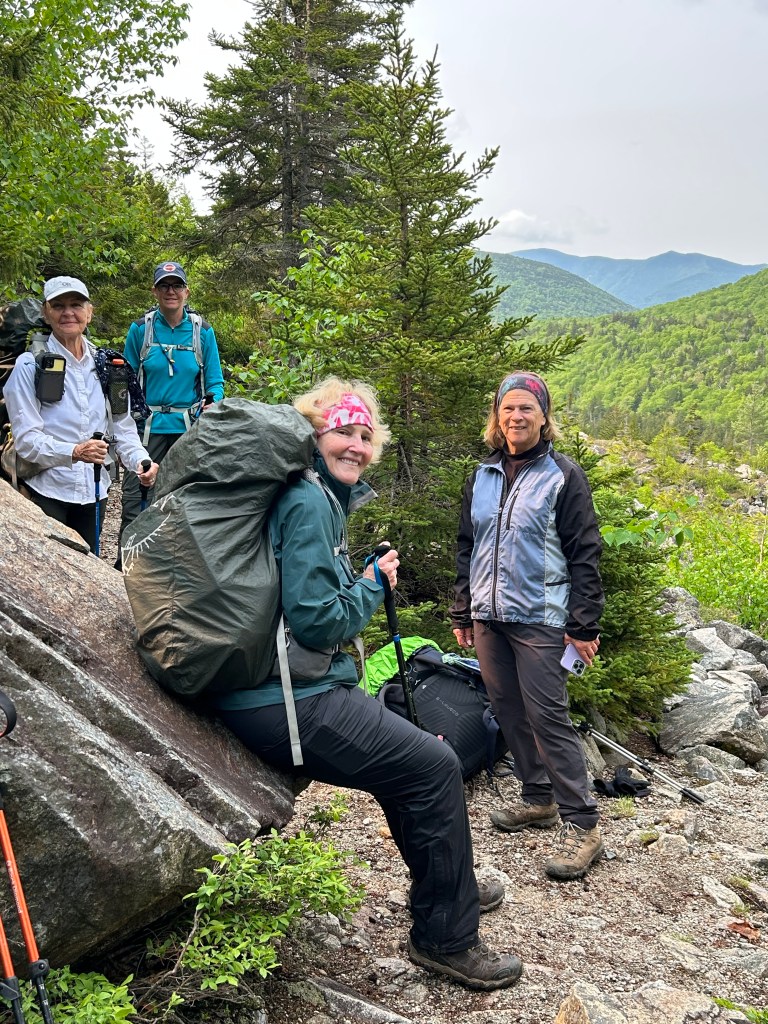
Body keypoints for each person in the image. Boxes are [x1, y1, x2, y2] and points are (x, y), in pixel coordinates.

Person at [211, 377, 523, 991]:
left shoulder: (313, 494)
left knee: (409, 765)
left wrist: (355, 579)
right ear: (315, 434)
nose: (355, 445)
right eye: (342, 432)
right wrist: (373, 584)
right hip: (287, 700)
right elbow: (317, 621)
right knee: (433, 766)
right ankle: (445, 938)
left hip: (282, 687)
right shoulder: (308, 501)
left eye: (364, 435)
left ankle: (446, 886)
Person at [450, 370, 605, 881]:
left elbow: (585, 553)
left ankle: (583, 825)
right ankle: (539, 799)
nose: (516, 417)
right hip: (489, 617)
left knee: (547, 716)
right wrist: (463, 609)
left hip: (541, 618)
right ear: (497, 417)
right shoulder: (482, 475)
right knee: (507, 710)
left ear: (543, 417)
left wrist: (583, 624)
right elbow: (468, 546)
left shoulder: (563, 476)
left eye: (526, 409)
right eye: (508, 409)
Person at [3, 276, 158, 551]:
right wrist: (75, 452)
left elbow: (122, 428)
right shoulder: (28, 366)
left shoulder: (109, 366)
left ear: (89, 312)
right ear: (45, 313)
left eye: (76, 305)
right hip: (45, 491)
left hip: (95, 492)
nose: (68, 313)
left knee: (89, 565)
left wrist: (141, 461)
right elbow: (26, 440)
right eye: (58, 306)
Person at [116, 261, 224, 565]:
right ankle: (125, 566)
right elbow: (124, 377)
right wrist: (120, 419)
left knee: (183, 499)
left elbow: (215, 382)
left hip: (186, 430)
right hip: (146, 429)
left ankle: (175, 567)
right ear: (155, 291)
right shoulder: (141, 330)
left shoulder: (203, 332)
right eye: (164, 285)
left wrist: (213, 402)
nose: (171, 291)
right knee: (136, 499)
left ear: (186, 291)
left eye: (177, 285)